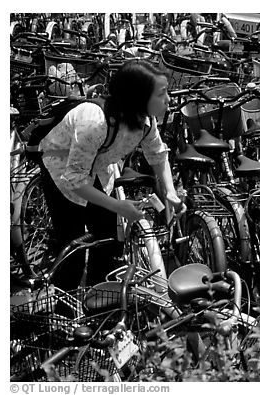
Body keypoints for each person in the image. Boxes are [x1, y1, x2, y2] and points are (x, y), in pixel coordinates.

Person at [38, 59, 185, 290]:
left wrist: (171, 193)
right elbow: (74, 179)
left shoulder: (145, 121)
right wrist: (118, 206)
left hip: (98, 169)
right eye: (162, 94)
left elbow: (158, 155)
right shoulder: (94, 121)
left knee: (109, 242)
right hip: (61, 172)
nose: (168, 100)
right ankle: (62, 313)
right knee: (73, 248)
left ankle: (98, 303)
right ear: (138, 97)